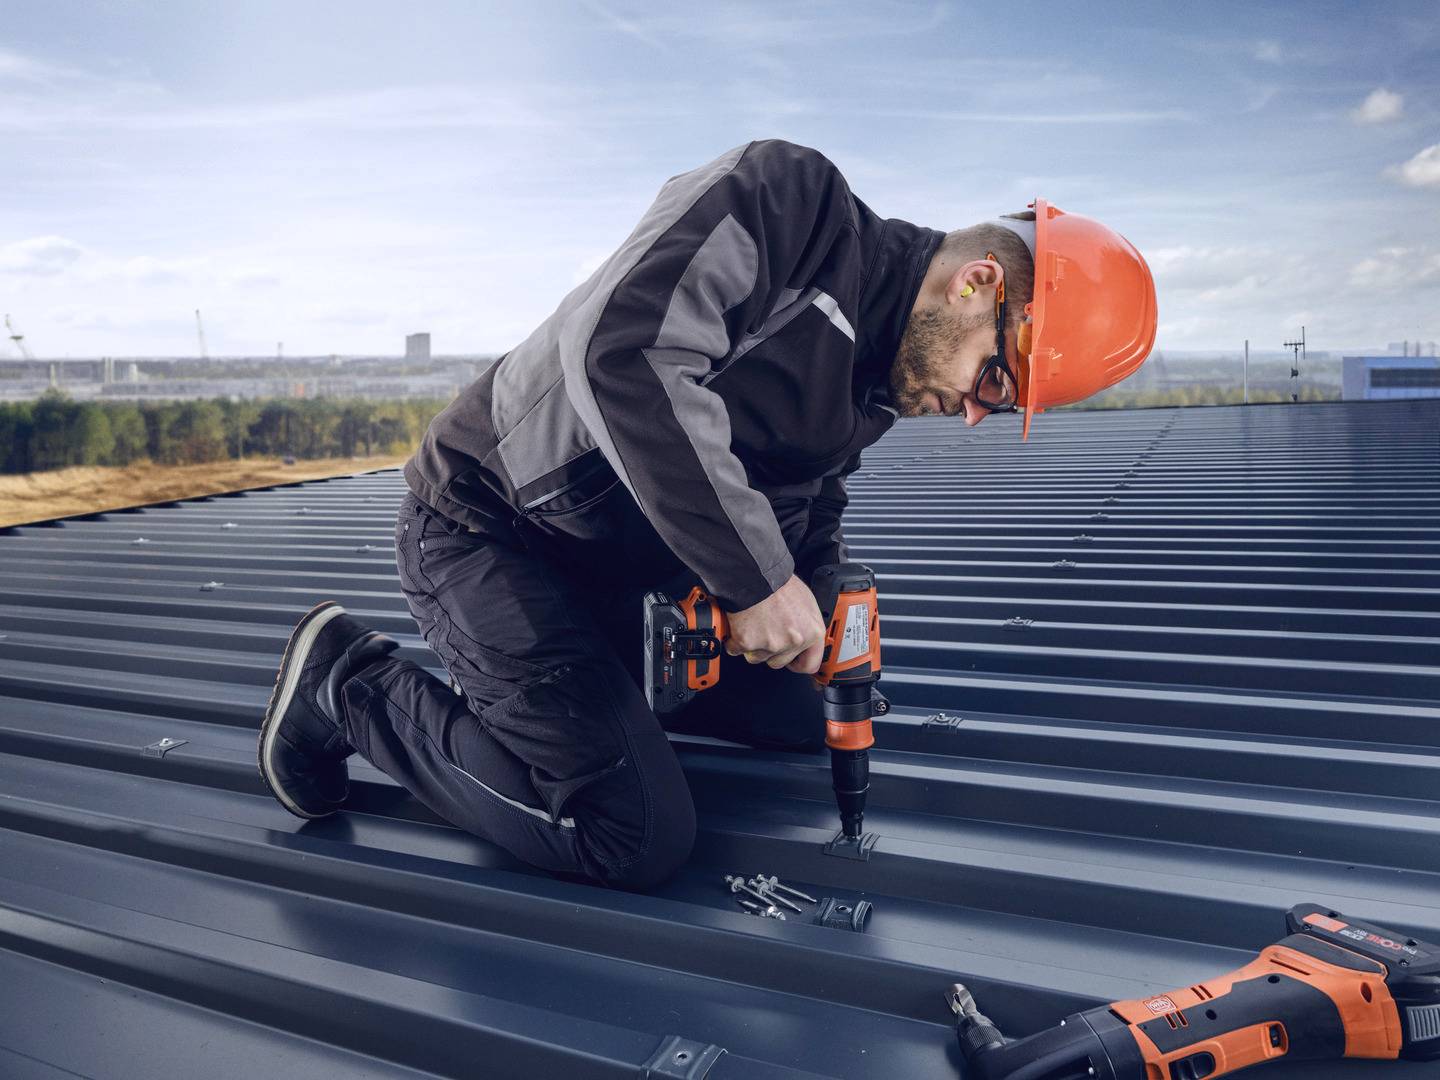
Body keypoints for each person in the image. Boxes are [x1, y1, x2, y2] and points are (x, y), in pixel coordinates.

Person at [256, 139, 1157, 890]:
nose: (973, 410)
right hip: (488, 532)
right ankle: (350, 685)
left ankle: (589, 706)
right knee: (630, 833)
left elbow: (802, 498)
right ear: (978, 283)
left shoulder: (872, 387)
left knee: (807, 709)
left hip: (611, 569)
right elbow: (621, 353)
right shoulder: (790, 205)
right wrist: (756, 582)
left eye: (997, 406)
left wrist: (813, 591)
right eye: (995, 379)